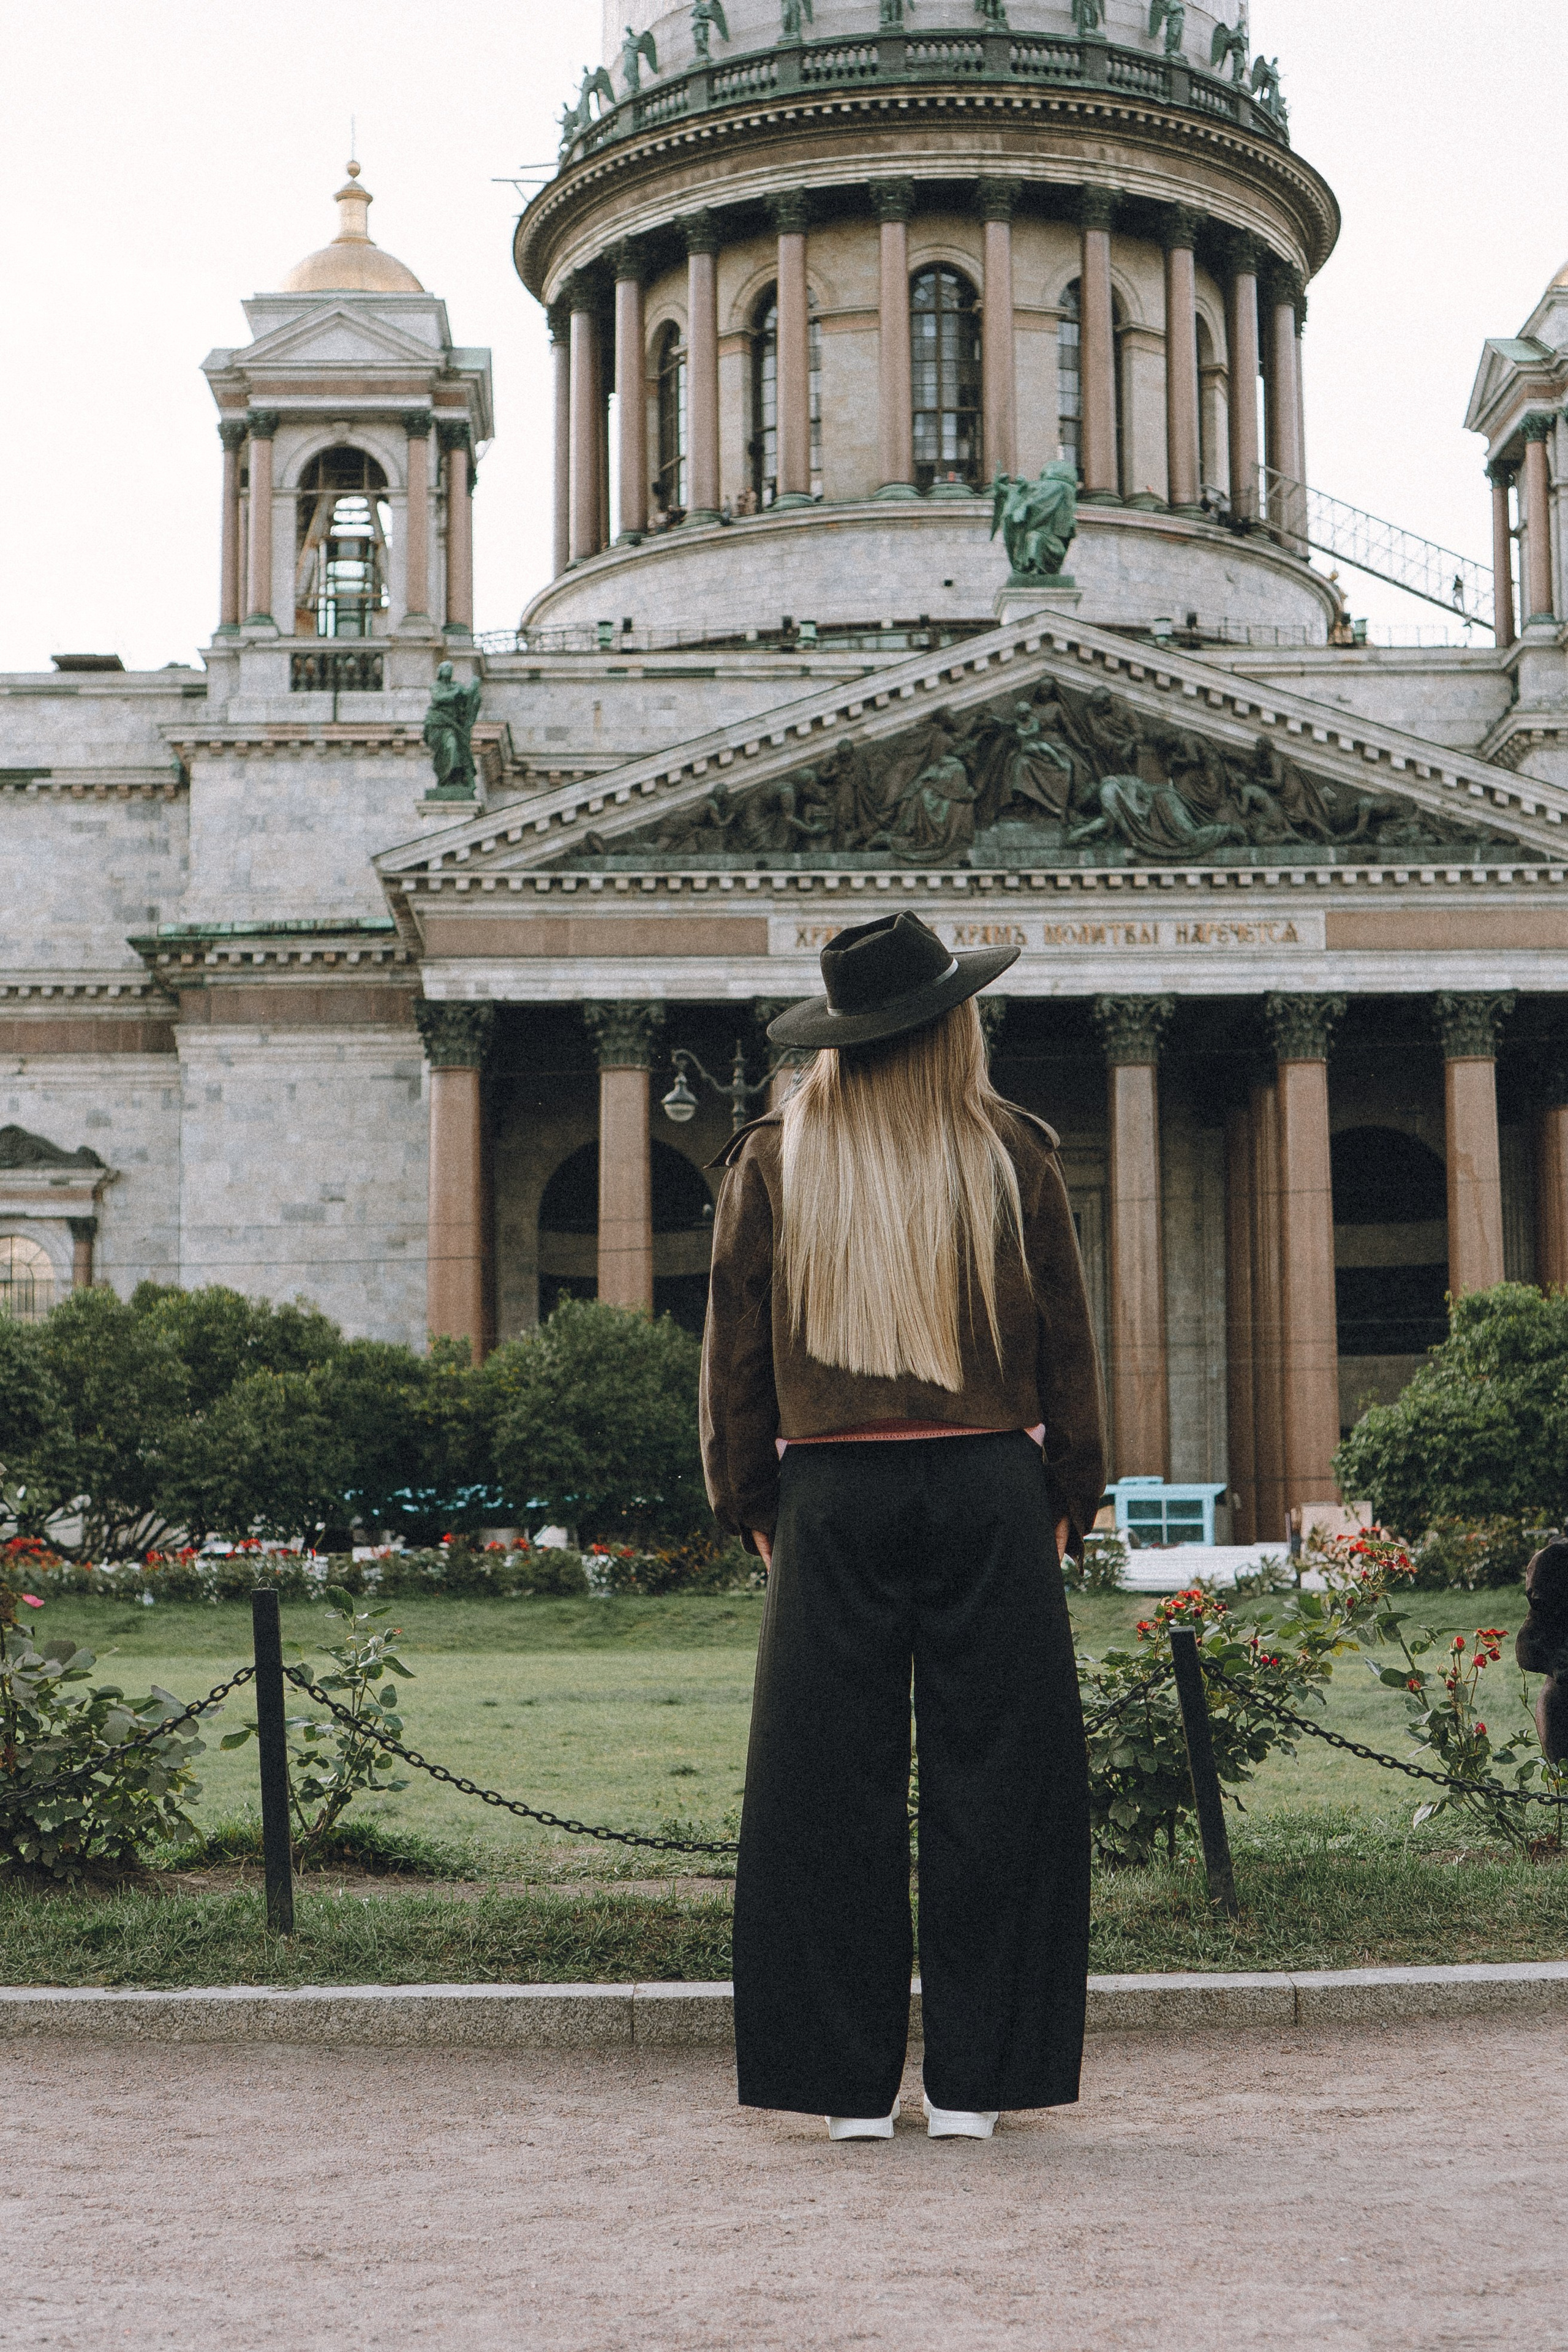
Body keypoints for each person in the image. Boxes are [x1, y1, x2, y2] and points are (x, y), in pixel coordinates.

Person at [700, 912, 1106, 2144]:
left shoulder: (771, 1160)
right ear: (948, 1025)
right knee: (1003, 1785)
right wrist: (1066, 1496)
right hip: (990, 1485)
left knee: (820, 1789)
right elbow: (1065, 1348)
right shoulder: (1009, 1152)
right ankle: (981, 2082)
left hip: (831, 1492)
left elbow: (731, 1360)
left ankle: (844, 2090)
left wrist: (749, 1502)